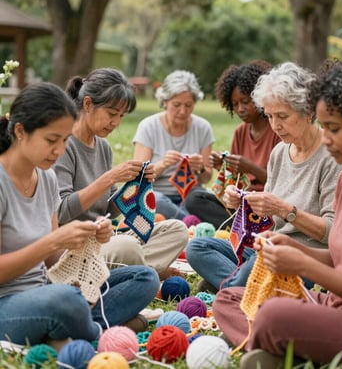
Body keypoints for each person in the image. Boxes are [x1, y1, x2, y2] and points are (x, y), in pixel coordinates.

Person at [213, 57, 342, 368]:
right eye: (324, 127)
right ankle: (289, 350)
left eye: (334, 128)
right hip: (334, 306)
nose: (325, 138)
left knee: (273, 315)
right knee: (230, 298)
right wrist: (292, 248)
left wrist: (304, 263)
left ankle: (275, 346)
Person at [0, 82, 159, 347]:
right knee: (65, 300)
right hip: (9, 303)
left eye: (64, 141)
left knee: (144, 277)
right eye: (51, 140)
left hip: (47, 290)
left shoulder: (47, 178)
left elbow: (51, 261)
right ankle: (98, 331)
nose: (60, 151)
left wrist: (88, 239)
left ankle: (70, 330)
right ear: (20, 131)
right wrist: (55, 241)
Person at [187, 61, 342, 293]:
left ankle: (230, 288)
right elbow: (269, 217)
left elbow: (332, 232)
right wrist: (245, 202)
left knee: (255, 267)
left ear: (309, 111)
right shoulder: (280, 151)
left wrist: (284, 209)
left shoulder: (332, 156)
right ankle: (240, 287)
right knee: (197, 248)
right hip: (270, 245)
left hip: (303, 257)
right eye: (269, 116)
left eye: (282, 116)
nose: (275, 125)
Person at [53, 68, 188, 281]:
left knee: (177, 230)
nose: (116, 122)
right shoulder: (63, 145)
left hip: (102, 240)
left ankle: (137, 270)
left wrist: (134, 185)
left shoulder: (103, 147)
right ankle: (147, 272)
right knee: (127, 246)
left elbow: (109, 209)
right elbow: (61, 211)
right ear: (88, 104)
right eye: (112, 114)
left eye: (121, 116)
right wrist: (111, 177)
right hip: (75, 248)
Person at [185, 60, 280, 229]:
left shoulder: (277, 131)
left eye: (245, 102)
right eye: (235, 104)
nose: (240, 109)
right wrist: (224, 167)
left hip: (266, 204)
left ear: (260, 98)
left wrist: (250, 167)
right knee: (194, 198)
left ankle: (239, 228)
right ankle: (242, 227)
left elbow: (280, 184)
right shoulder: (240, 132)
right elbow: (236, 183)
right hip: (241, 203)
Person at [133, 69, 215, 220]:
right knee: (154, 200)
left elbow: (206, 178)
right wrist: (163, 164)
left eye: (188, 105)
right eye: (176, 105)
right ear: (164, 101)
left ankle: (181, 220)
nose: (183, 111)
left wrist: (201, 168)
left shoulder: (203, 127)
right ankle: (191, 223)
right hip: (159, 195)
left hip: (190, 197)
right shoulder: (148, 126)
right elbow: (139, 179)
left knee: (201, 199)